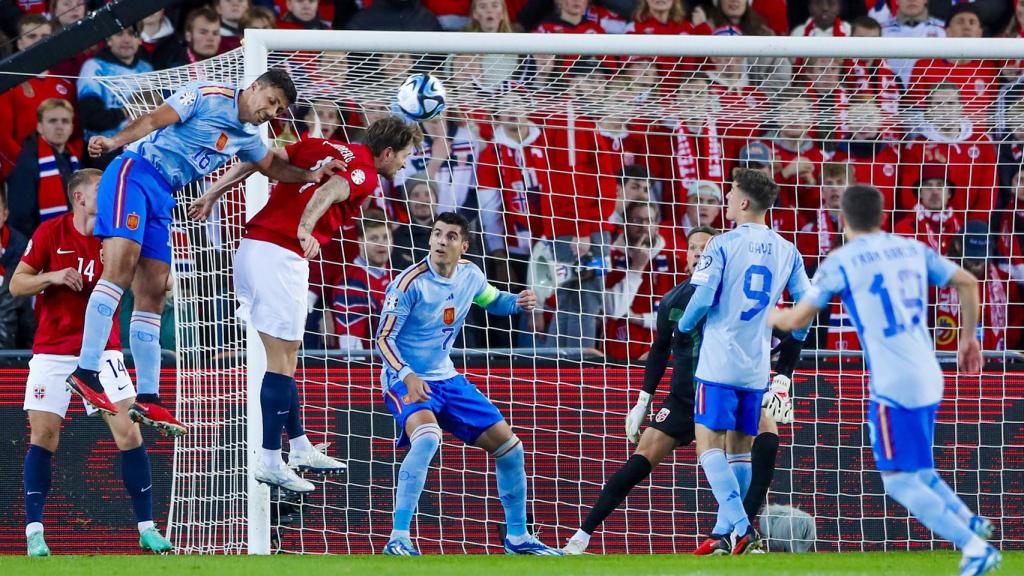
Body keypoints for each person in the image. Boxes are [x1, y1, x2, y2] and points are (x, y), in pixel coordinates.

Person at [64, 68, 343, 438]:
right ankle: (86, 371)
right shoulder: (207, 95)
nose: (272, 112)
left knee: (154, 292)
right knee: (119, 270)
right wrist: (114, 142)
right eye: (271, 101)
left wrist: (311, 176)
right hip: (134, 173)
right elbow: (153, 120)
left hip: (164, 194)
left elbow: (273, 166)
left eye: (279, 109)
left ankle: (148, 397)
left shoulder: (247, 136)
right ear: (254, 87)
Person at [770, 185, 1001, 576]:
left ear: (843, 219)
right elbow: (968, 281)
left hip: (894, 382)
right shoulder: (912, 248)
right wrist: (968, 338)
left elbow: (796, 320)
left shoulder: (841, 261)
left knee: (898, 481)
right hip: (930, 373)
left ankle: (974, 548)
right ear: (881, 216)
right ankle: (970, 521)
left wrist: (765, 315)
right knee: (921, 469)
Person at [189, 118, 419, 491]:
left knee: (286, 358)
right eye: (405, 156)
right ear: (388, 152)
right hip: (281, 254)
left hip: (254, 251)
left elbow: (259, 159)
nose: (404, 164)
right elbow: (330, 190)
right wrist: (305, 227)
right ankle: (269, 460)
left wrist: (213, 193)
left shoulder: (318, 146)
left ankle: (298, 447)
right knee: (281, 361)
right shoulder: (364, 172)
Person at [375, 211, 562, 556]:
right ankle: (398, 538)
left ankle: (518, 537)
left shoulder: (470, 274)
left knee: (511, 449)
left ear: (464, 245)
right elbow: (383, 338)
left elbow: (492, 300)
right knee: (427, 439)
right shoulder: (408, 283)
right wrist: (407, 375)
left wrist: (516, 302)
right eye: (437, 234)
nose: (441, 241)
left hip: (446, 378)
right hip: (404, 378)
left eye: (450, 236)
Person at [11, 169, 172, 556]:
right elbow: (16, 284)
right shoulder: (51, 232)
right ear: (79, 197)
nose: (111, 192)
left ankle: (147, 529)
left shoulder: (116, 237)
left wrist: (151, 276)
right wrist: (52, 276)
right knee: (44, 436)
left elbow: (152, 282)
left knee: (129, 433)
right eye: (101, 187)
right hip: (53, 351)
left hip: (103, 353)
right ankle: (35, 533)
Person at [675, 168, 810, 555]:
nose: (727, 199)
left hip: (720, 359)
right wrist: (792, 347)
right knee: (739, 449)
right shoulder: (788, 249)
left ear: (745, 201)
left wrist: (683, 328)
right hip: (756, 366)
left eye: (731, 193)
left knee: (708, 445)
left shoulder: (721, 244)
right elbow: (808, 306)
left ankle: (741, 527)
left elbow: (701, 299)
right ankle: (724, 534)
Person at [77, 26, 154, 169]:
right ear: (109, 39)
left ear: (139, 39)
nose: (126, 40)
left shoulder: (146, 69)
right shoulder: (95, 67)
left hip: (141, 151)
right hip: (103, 154)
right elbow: (91, 118)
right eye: (119, 33)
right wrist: (127, 110)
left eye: (132, 34)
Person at [6, 99, 79, 239]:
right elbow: (20, 216)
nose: (59, 127)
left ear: (71, 127)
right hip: (38, 242)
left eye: (65, 121)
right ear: (39, 127)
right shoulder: (27, 162)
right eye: (53, 121)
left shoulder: (73, 159)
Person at [331, 208, 394, 352]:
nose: (381, 243)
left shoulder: (394, 276)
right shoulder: (351, 284)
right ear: (360, 241)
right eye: (374, 238)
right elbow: (351, 349)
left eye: (386, 237)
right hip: (371, 365)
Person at [151, 7, 222, 71]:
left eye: (215, 33)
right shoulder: (168, 65)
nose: (210, 39)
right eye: (203, 33)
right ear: (189, 36)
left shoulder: (225, 66)